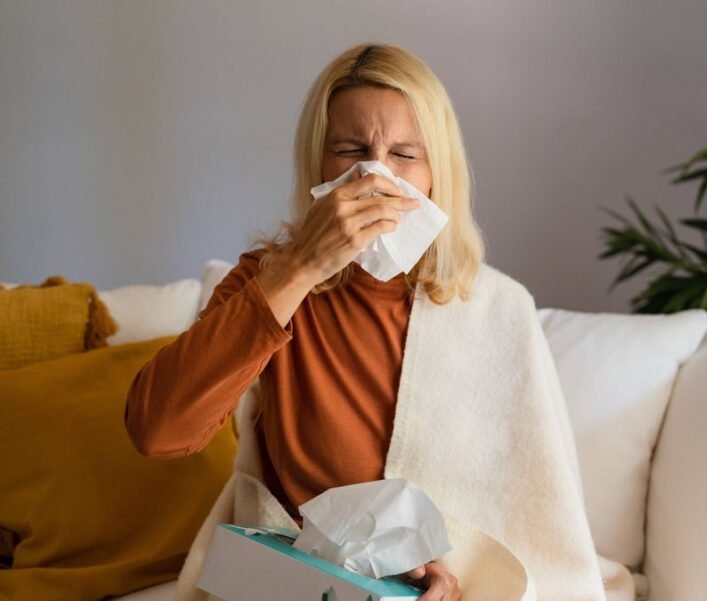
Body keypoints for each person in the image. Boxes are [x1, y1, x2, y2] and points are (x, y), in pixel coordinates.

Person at [124, 43, 605, 601]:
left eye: (404, 154)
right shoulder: (269, 282)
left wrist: (449, 571)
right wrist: (300, 268)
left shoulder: (499, 308)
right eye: (350, 150)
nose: (376, 175)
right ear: (317, 164)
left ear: (437, 173)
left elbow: (529, 510)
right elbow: (158, 431)